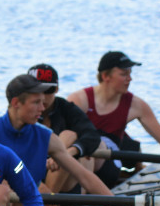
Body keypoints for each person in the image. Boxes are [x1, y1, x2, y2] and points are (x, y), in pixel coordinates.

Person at [0, 74, 135, 206]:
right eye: (36, 102)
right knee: (2, 188)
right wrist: (34, 185)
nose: (42, 108)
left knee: (68, 136)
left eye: (43, 102)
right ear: (16, 103)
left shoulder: (46, 136)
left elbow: (84, 176)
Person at [66, 51, 160, 186]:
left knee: (91, 152)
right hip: (81, 159)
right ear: (106, 76)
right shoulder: (80, 100)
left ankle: (79, 197)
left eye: (130, 74)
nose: (130, 79)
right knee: (79, 147)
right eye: (124, 74)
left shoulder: (136, 105)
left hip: (108, 165)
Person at [27, 63, 105, 197]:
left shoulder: (66, 109)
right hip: (31, 174)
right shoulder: (22, 113)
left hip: (63, 178)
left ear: (57, 89)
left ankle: (47, 202)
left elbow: (92, 135)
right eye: (36, 91)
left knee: (69, 136)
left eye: (48, 90)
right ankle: (47, 201)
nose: (42, 97)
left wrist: (68, 153)